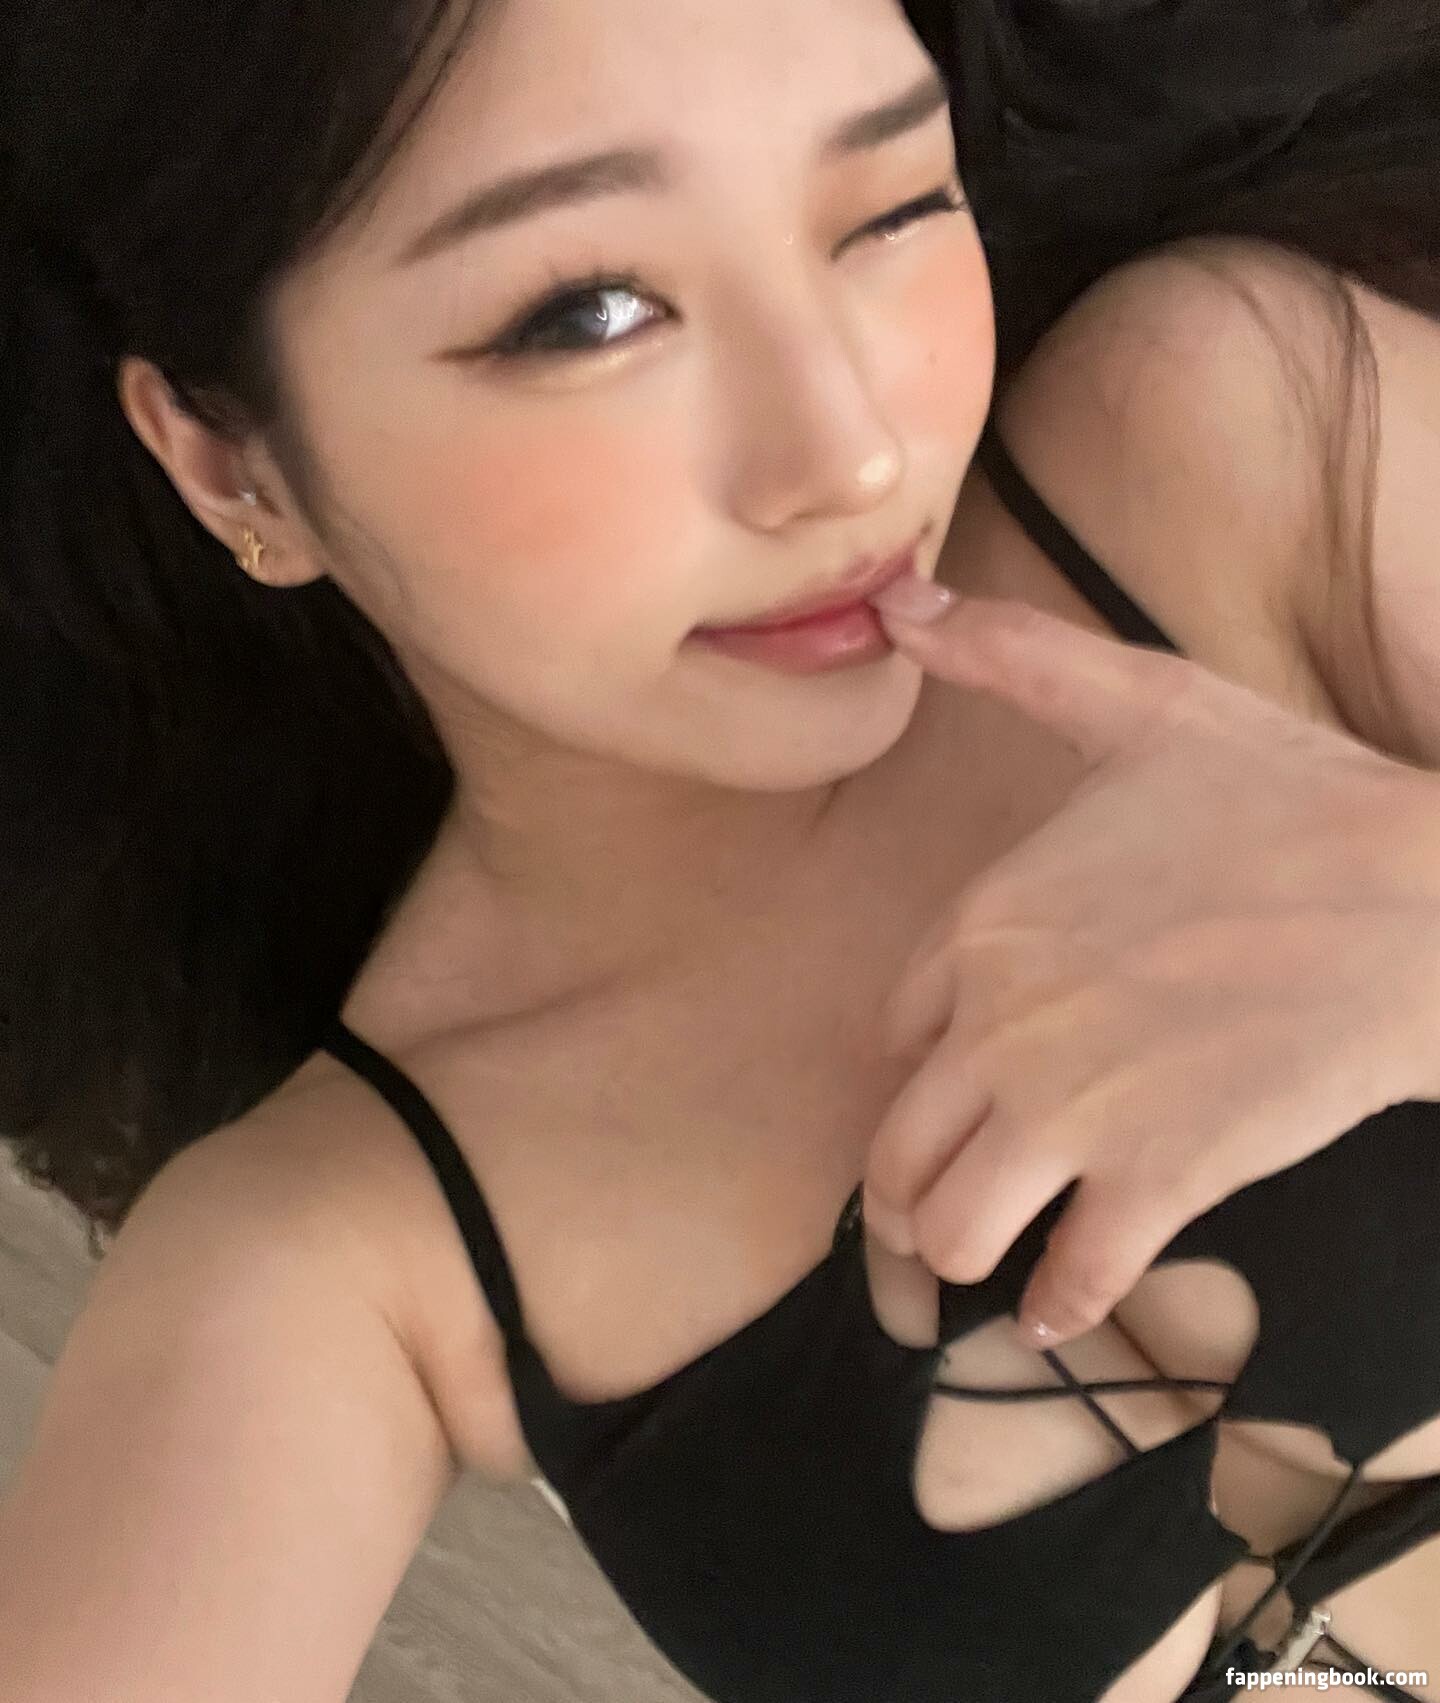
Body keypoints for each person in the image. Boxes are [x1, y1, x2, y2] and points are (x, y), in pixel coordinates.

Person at [1, 0, 1439, 1699]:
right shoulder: (346, 1249)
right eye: (589, 314)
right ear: (234, 463)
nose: (849, 453)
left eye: (890, 210)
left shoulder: (1235, 441)